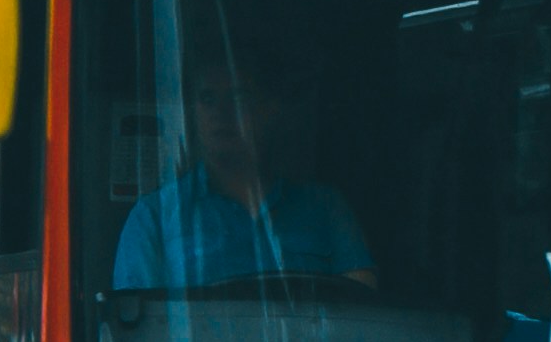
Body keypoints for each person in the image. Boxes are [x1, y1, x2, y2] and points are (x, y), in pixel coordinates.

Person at [113, 43, 375, 298]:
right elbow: (142, 329)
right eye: (207, 99)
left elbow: (362, 316)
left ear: (270, 109)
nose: (221, 112)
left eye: (238, 97)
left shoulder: (325, 209)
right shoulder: (154, 218)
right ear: (192, 113)